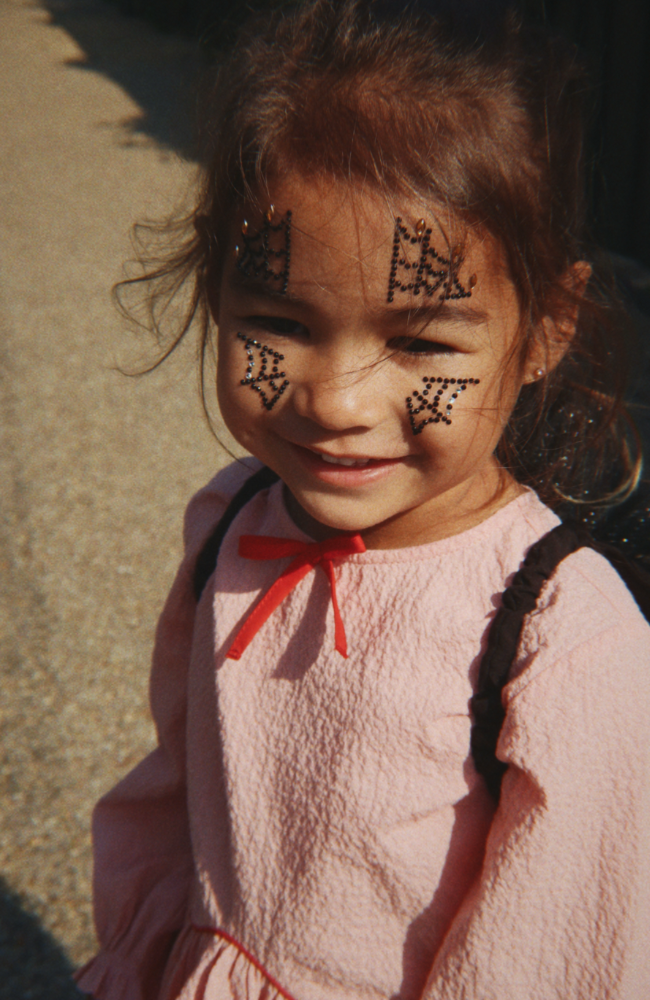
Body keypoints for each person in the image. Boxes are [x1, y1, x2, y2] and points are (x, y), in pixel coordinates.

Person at [75, 1, 650, 997]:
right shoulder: (230, 523)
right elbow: (177, 796)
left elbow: (548, 954)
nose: (335, 401)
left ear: (545, 328)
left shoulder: (561, 638)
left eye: (421, 342)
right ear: (217, 288)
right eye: (279, 321)